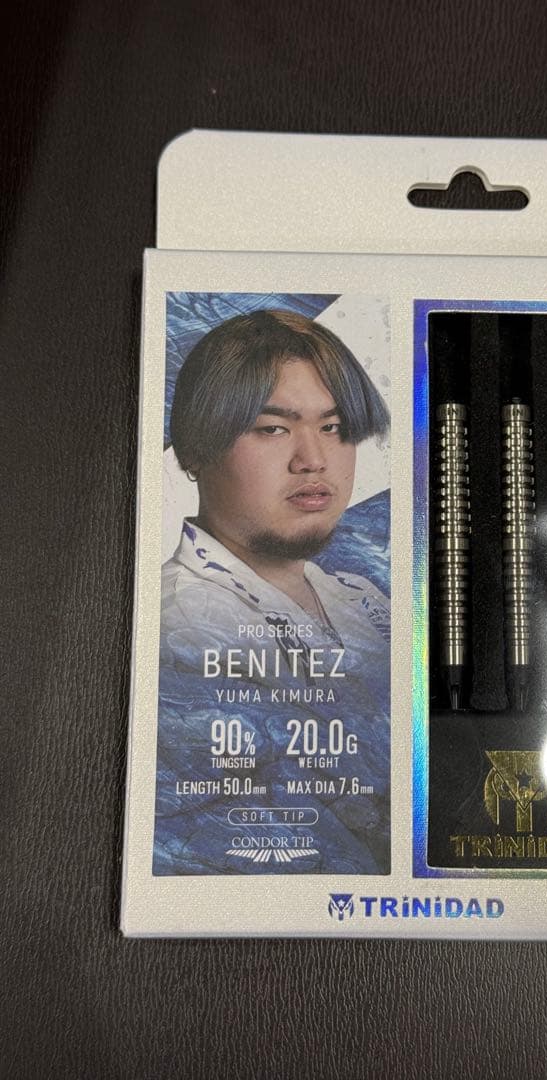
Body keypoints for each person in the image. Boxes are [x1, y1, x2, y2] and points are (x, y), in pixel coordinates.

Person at [154, 308, 391, 876]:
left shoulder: (361, 597)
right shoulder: (180, 625)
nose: (314, 460)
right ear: (194, 449)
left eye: (333, 427)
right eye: (273, 428)